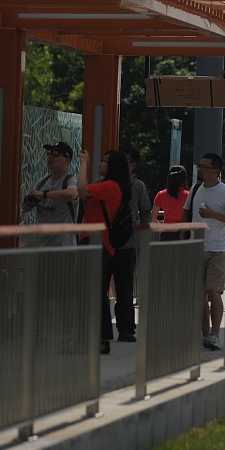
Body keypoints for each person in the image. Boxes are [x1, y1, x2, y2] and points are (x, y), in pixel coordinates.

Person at [184, 153, 225, 350]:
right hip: (197, 246)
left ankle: (215, 334)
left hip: (218, 248)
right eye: (199, 165)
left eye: (204, 166)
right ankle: (205, 334)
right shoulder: (195, 188)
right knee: (200, 294)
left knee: (214, 292)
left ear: (216, 171)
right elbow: (187, 214)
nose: (200, 169)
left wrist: (212, 215)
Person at [78, 149, 131, 355]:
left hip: (96, 242)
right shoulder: (113, 186)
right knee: (94, 291)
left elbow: (82, 189)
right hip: (97, 242)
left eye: (105, 161)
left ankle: (101, 338)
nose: (100, 163)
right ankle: (98, 337)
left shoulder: (109, 186)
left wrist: (83, 163)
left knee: (95, 292)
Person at [108, 145, 152, 342]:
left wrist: (144, 237)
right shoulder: (102, 183)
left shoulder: (138, 186)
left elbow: (145, 212)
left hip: (127, 245)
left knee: (125, 289)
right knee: (99, 287)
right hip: (103, 244)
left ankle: (126, 329)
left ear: (133, 165)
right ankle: (102, 330)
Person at [22, 141, 78, 246]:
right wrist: (29, 200)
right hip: (40, 246)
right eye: (49, 152)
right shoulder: (42, 182)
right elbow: (25, 209)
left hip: (62, 247)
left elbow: (72, 194)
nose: (50, 156)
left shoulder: (70, 180)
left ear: (67, 160)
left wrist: (44, 195)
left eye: (55, 154)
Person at [150, 165, 189, 240]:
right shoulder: (188, 195)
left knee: (166, 252)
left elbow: (153, 217)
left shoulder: (161, 195)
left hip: (166, 232)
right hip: (183, 233)